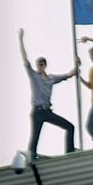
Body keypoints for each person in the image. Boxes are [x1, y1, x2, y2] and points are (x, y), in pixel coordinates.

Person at [18, 28, 76, 161]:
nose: (39, 66)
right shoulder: (34, 76)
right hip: (37, 111)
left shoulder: (51, 78)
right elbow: (25, 59)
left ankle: (70, 152)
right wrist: (21, 40)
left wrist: (77, 64)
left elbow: (69, 74)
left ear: (45, 66)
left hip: (47, 110)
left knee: (70, 127)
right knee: (35, 137)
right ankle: (31, 156)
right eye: (38, 64)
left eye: (41, 64)